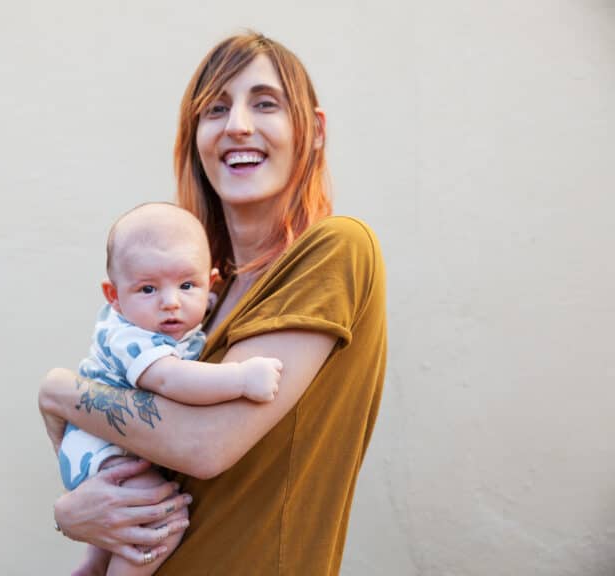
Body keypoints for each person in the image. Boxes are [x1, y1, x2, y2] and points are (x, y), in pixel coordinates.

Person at [40, 32, 387, 575]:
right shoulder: (201, 301)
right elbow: (153, 456)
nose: (238, 125)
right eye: (216, 109)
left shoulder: (335, 248)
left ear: (313, 130)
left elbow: (202, 445)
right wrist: (75, 513)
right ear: (195, 138)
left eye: (265, 103)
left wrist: (60, 392)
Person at [59, 202, 283, 576]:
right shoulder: (131, 338)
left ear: (210, 284)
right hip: (101, 445)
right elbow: (172, 380)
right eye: (148, 289)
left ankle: (94, 565)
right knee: (156, 521)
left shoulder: (164, 317)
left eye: (187, 285)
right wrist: (242, 378)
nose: (171, 303)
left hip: (119, 439)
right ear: (113, 295)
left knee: (126, 520)